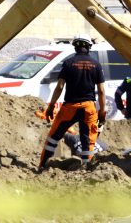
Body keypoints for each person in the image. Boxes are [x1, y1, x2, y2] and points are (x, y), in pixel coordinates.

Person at [39, 33, 106, 169]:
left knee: (53, 138)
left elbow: (59, 86)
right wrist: (102, 111)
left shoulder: (68, 63)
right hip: (89, 108)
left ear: (75, 47)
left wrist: (51, 106)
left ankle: (42, 166)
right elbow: (101, 91)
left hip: (70, 107)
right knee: (88, 141)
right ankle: (87, 168)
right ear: (89, 47)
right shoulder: (96, 65)